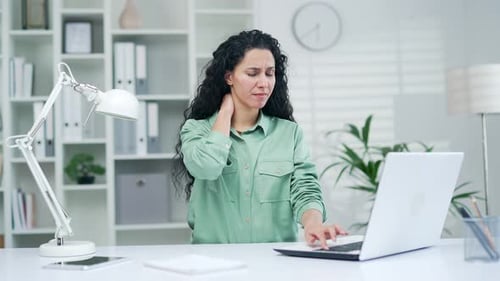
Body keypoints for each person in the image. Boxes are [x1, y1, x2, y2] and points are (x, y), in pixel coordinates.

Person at [174, 29, 346, 248]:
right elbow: (206, 167)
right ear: (229, 77)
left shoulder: (289, 133)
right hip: (214, 261)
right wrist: (226, 111)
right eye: (253, 73)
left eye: (269, 73)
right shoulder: (196, 130)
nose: (264, 83)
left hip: (276, 260)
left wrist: (312, 224)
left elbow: (305, 189)